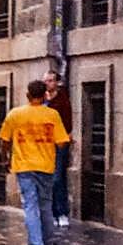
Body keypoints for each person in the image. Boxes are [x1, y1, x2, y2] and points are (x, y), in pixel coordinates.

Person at [0, 80, 70, 245]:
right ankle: (49, 242)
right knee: (45, 205)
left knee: (30, 206)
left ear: (28, 95)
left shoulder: (16, 114)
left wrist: (5, 157)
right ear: (45, 94)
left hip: (24, 166)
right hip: (46, 165)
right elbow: (62, 142)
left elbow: (4, 140)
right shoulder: (52, 115)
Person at [45, 70, 74, 227]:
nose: (47, 84)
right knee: (47, 179)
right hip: (43, 144)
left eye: (50, 80)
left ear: (56, 82)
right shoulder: (41, 99)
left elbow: (68, 122)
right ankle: (52, 213)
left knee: (57, 178)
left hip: (58, 143)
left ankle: (61, 212)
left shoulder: (62, 100)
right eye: (45, 81)